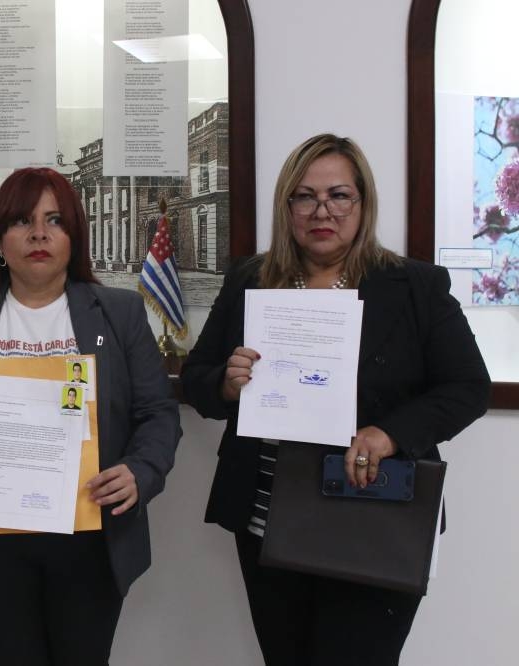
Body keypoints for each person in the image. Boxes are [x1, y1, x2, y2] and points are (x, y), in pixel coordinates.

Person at [180, 134, 490, 666]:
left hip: (374, 516)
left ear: (363, 203)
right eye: (304, 196)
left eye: (339, 195)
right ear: (287, 207)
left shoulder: (413, 285)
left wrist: (388, 434)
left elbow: (468, 387)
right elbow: (196, 379)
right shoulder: (251, 279)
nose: (322, 210)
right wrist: (227, 384)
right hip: (266, 521)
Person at [0, 166, 181, 665]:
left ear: (73, 238)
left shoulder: (119, 312)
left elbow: (158, 413)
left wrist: (140, 472)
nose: (38, 233)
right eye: (21, 221)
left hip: (90, 535)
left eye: (55, 220)